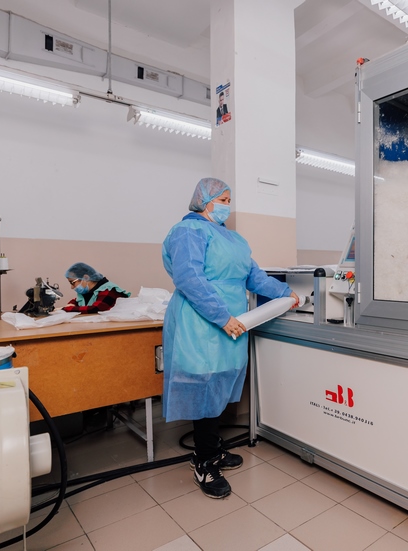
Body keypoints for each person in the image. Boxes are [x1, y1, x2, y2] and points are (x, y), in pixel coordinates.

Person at [162, 177, 298, 499]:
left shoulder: (234, 239)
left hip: (234, 322)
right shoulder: (188, 231)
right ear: (204, 201)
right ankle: (204, 462)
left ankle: (212, 448)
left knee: (219, 382)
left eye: (228, 200)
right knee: (203, 383)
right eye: (222, 200)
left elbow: (254, 277)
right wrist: (221, 316)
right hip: (201, 320)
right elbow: (189, 279)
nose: (227, 206)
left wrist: (286, 293)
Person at [62, 262, 131, 314]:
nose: (72, 287)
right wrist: (71, 305)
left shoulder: (109, 290)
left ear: (85, 278)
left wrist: (69, 309)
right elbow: (76, 301)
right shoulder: (88, 292)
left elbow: (96, 308)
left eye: (72, 282)